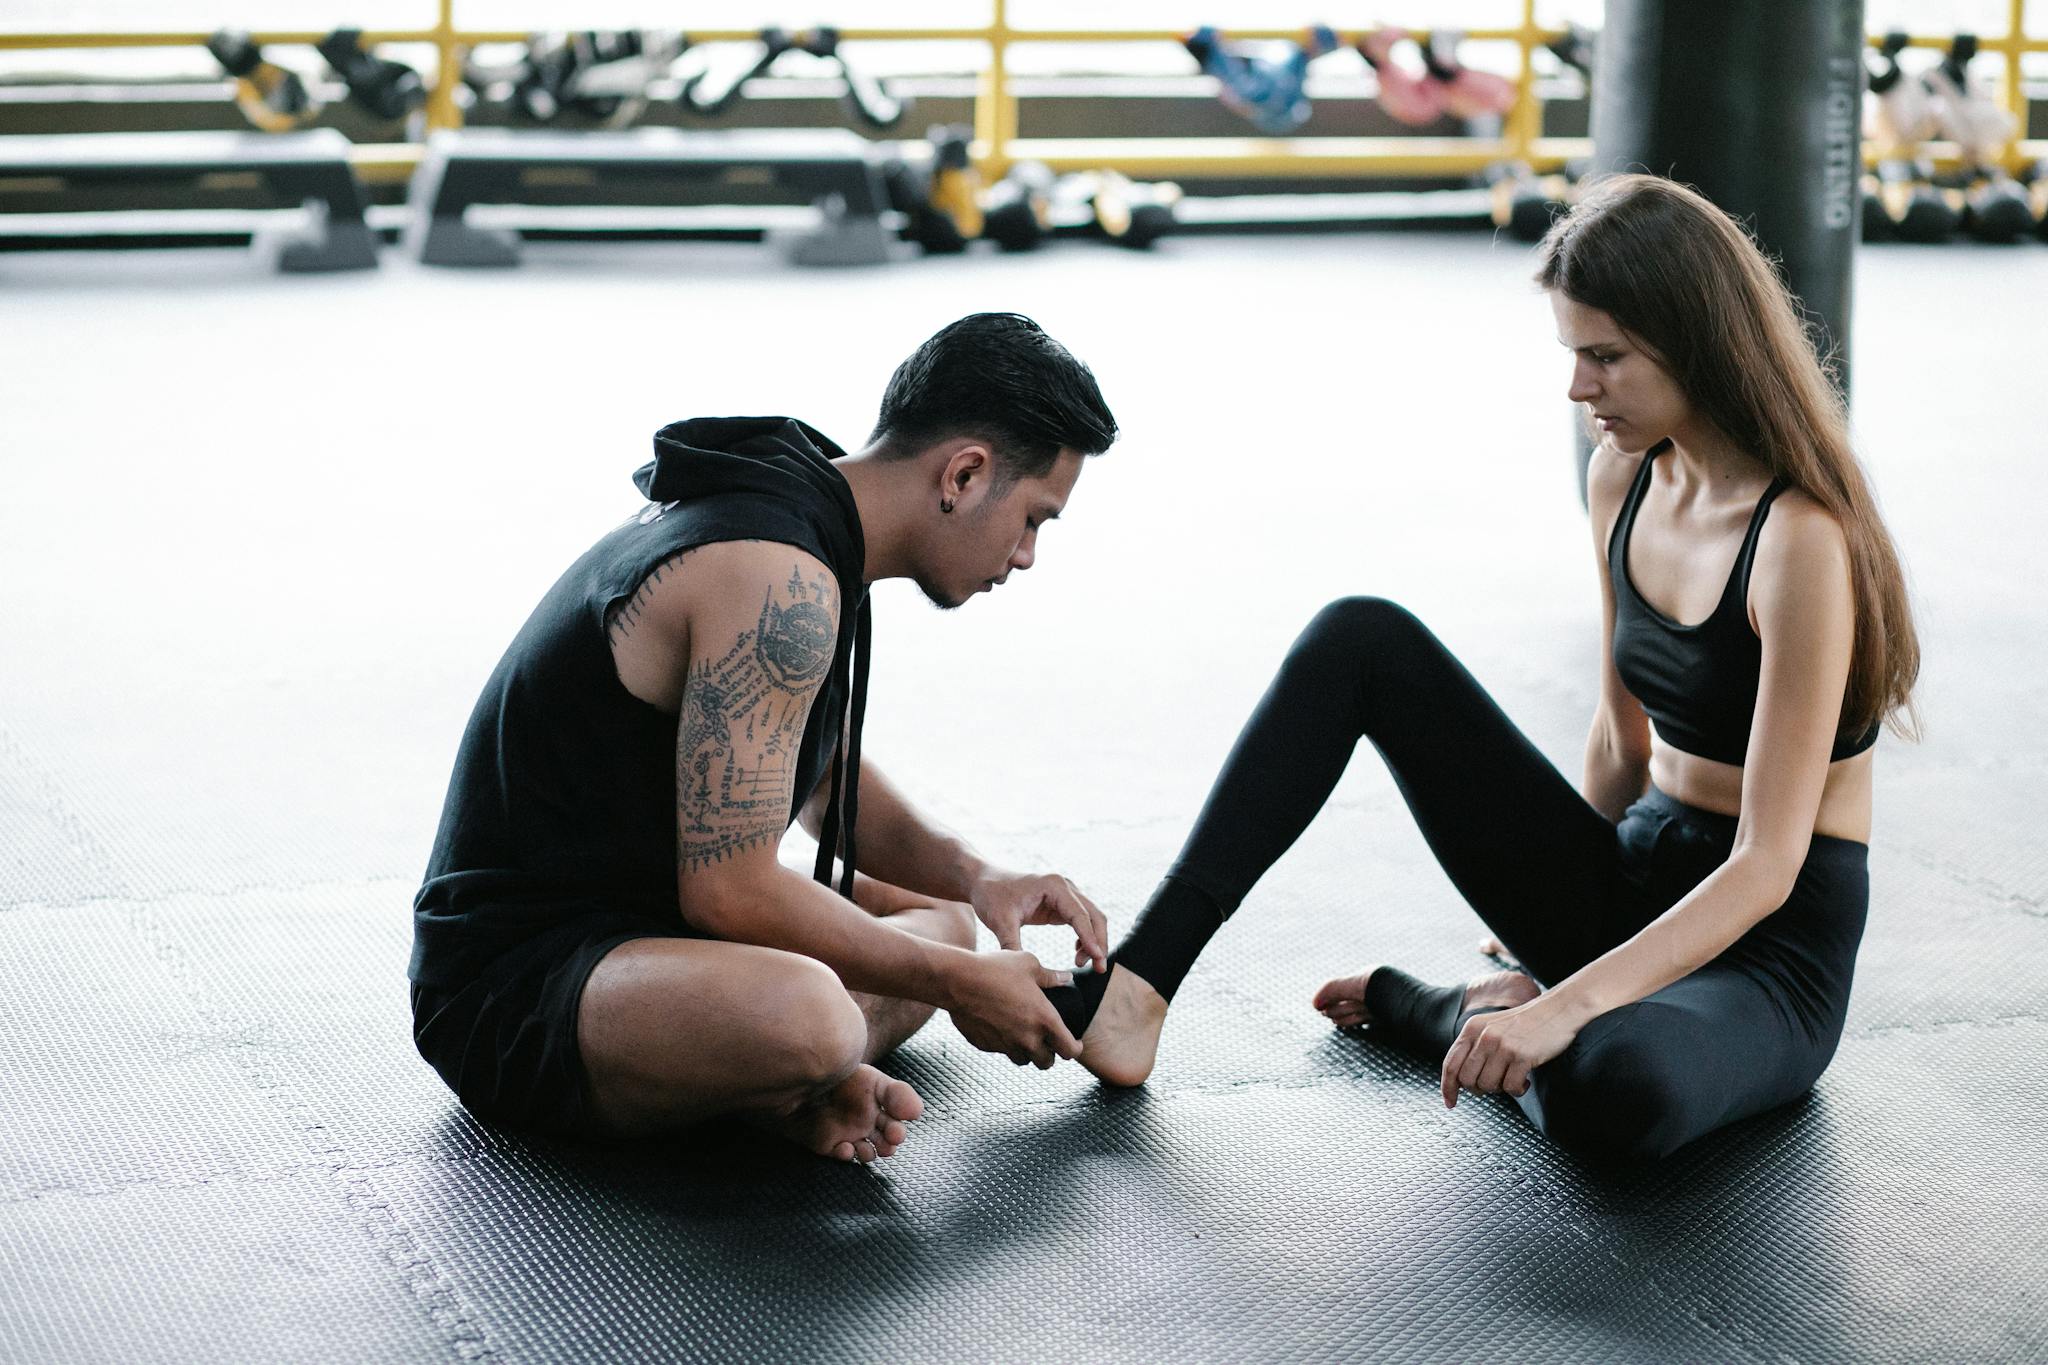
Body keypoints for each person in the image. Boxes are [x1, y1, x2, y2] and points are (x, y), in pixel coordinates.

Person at [1055, 175, 1920, 1162]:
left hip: (1762, 952)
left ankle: (1448, 1019)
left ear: (1695, 344)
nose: (1576, 389)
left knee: (1616, 1087)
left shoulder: (1800, 541)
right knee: (1358, 638)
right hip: (1633, 876)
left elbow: (1765, 865)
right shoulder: (1623, 476)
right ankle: (1138, 987)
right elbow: (1615, 739)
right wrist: (1542, 932)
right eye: (1570, 354)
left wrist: (1563, 1006)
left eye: (1605, 358)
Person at [410, 314, 1119, 1164]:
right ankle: (782, 1077)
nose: (1028, 554)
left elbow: (824, 778)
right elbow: (729, 892)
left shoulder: (812, 513)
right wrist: (964, 989)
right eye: (1035, 518)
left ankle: (769, 1084)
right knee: (817, 1015)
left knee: (948, 924)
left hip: (655, 929)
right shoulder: (777, 572)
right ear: (965, 473)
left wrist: (979, 876)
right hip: (514, 986)